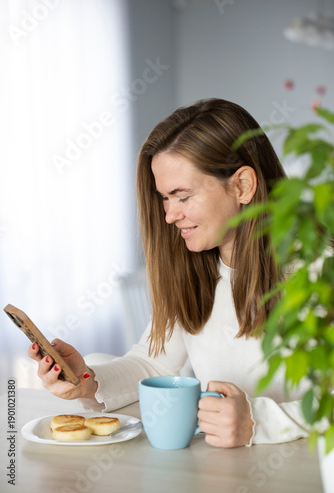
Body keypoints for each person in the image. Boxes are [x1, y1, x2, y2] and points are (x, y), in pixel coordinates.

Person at [29, 98, 308, 448]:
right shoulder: (196, 269)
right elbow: (153, 363)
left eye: (183, 196)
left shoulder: (316, 273)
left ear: (243, 186)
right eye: (164, 198)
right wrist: (86, 380)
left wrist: (259, 422)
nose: (169, 216)